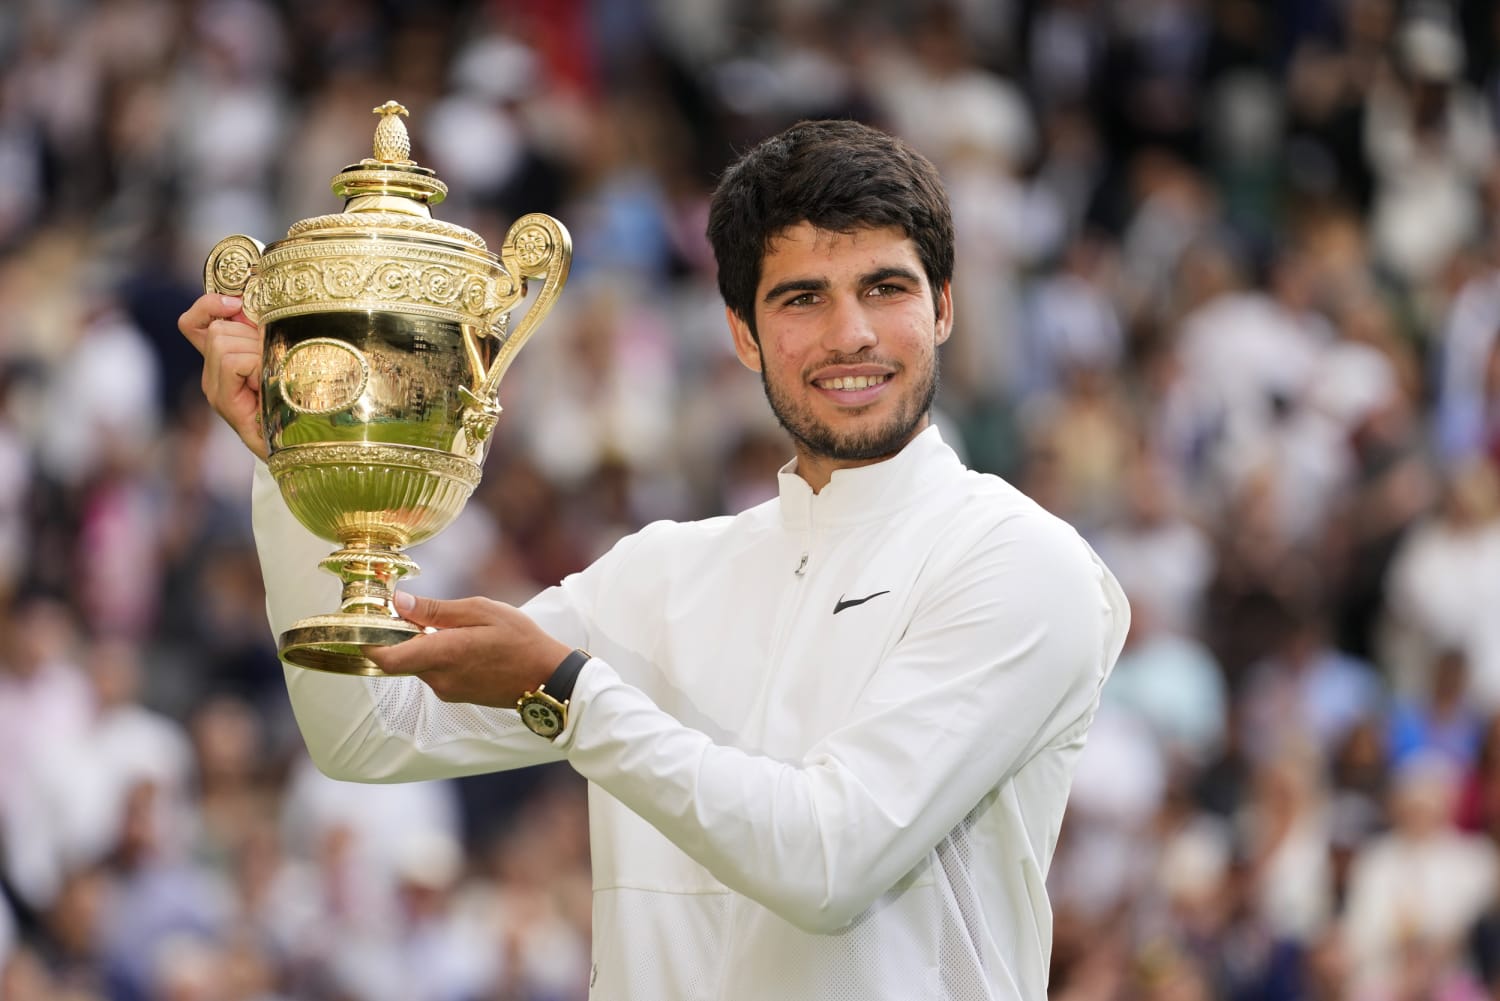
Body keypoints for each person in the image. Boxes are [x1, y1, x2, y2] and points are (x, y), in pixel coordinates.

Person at [179, 118, 1129, 1000]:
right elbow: (370, 731)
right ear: (741, 333)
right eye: (803, 297)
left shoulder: (1022, 562)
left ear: (946, 307)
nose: (852, 334)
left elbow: (829, 861)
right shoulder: (663, 573)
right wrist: (297, 458)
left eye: (886, 288)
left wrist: (568, 693)